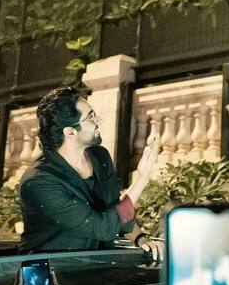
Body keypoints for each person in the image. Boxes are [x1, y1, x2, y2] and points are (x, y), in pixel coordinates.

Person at [19, 87, 162, 258]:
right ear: (70, 132)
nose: (98, 121)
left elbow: (116, 210)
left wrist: (140, 238)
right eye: (90, 117)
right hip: (52, 277)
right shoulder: (39, 182)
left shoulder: (99, 156)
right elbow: (103, 227)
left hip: (95, 272)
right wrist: (142, 177)